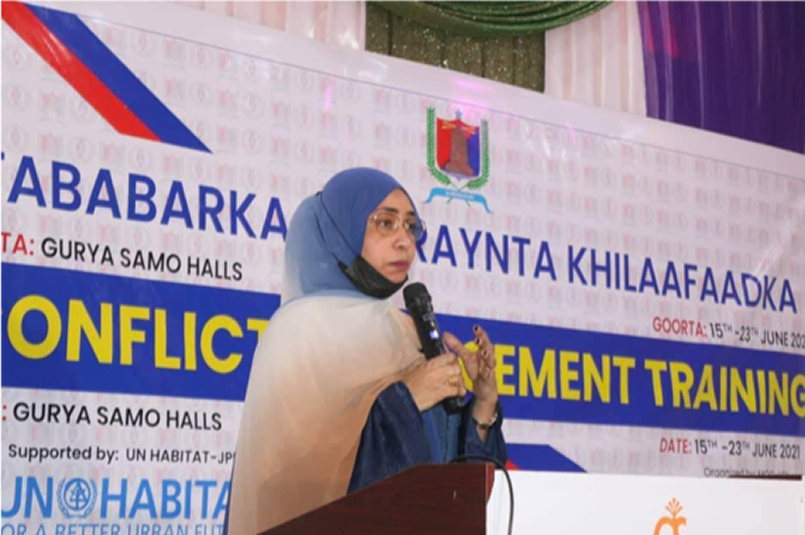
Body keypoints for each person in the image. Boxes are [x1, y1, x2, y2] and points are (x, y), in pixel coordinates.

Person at [226, 168, 505, 535]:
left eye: (411, 226)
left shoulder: (409, 332)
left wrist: (483, 405)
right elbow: (295, 485)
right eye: (385, 224)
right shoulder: (297, 334)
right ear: (341, 231)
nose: (404, 241)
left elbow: (449, 479)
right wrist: (406, 399)